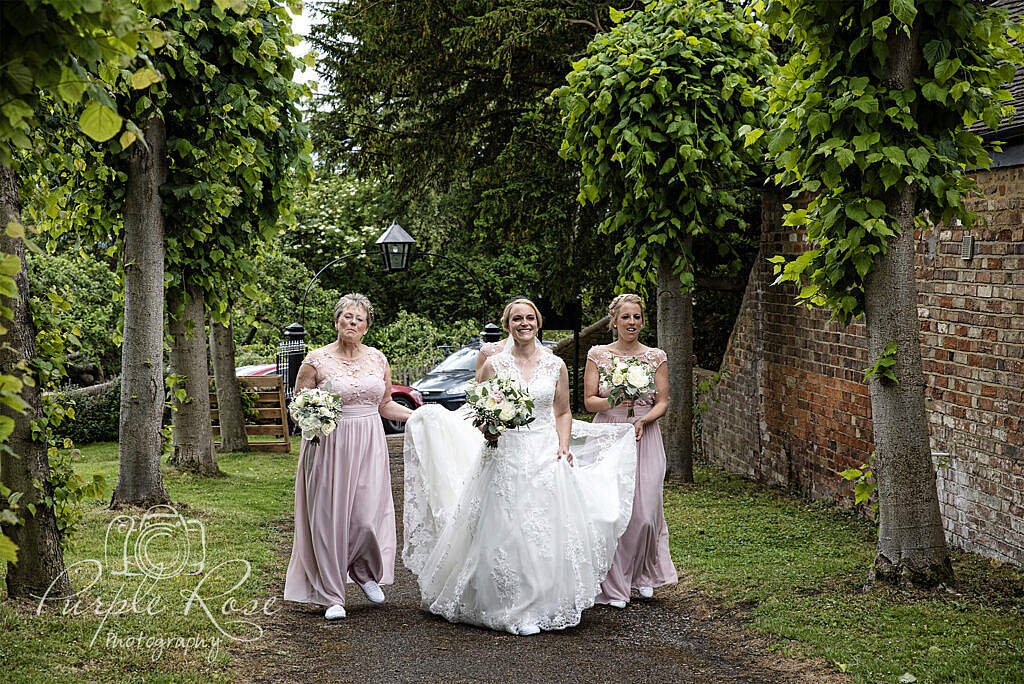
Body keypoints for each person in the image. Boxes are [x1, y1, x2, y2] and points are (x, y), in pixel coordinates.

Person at [403, 298, 638, 635]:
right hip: (504, 453)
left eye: (529, 318)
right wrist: (490, 429)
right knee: (504, 527)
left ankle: (541, 601)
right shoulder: (494, 364)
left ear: (538, 323)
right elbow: (479, 408)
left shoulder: (555, 364)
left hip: (544, 452)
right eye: (517, 319)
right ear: (508, 324)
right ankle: (504, 602)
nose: (524, 323)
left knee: (542, 528)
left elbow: (562, 411)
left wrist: (562, 446)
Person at [284, 293, 413, 621]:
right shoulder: (316, 360)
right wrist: (311, 416)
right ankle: (331, 596)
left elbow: (385, 404)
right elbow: (298, 405)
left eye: (358, 319)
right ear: (337, 321)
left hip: (370, 442)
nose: (351, 323)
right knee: (328, 519)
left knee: (365, 516)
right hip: (329, 446)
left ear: (367, 327)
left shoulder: (378, 359)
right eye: (346, 317)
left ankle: (364, 572)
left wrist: (420, 417)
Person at [584, 293, 678, 608]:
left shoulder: (656, 356)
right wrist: (617, 399)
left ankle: (645, 576)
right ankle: (613, 585)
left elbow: (662, 401)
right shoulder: (598, 355)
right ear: (614, 321)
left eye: (636, 317)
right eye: (625, 317)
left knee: (646, 512)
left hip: (645, 435)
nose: (632, 323)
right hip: (608, 433)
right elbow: (589, 401)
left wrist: (643, 419)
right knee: (611, 510)